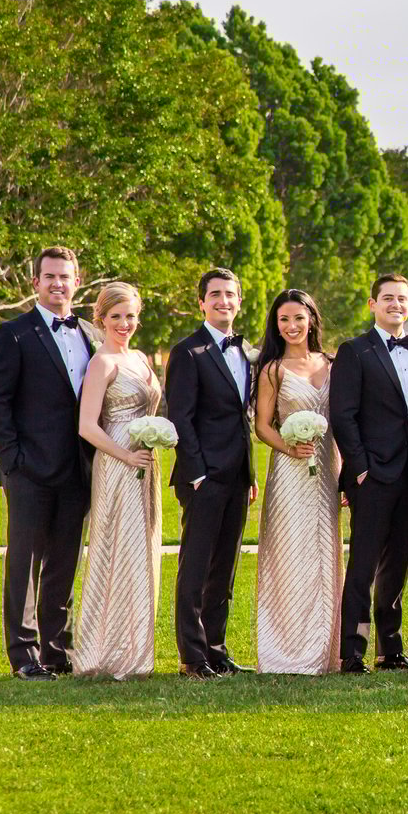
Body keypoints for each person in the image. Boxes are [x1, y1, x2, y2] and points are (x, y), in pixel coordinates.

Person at [0, 246, 96, 680]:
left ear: (77, 282)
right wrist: (12, 461)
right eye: (50, 276)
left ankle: (56, 650)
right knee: (25, 566)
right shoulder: (12, 335)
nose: (58, 284)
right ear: (35, 282)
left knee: (64, 563)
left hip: (77, 470)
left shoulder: (90, 334)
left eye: (65, 277)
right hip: (29, 471)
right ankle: (24, 655)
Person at [329, 273, 408, 673]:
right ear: (373, 304)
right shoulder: (354, 351)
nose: (395, 304)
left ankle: (390, 648)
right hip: (372, 475)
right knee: (363, 565)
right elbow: (343, 415)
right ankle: (353, 651)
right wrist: (360, 469)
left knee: (397, 565)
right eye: (387, 298)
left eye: (402, 299)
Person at [165, 267, 258, 678]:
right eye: (215, 294)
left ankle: (216, 649)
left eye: (230, 294)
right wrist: (198, 474)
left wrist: (250, 474)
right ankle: (192, 656)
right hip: (203, 477)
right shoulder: (188, 353)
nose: (223, 301)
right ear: (202, 302)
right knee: (196, 567)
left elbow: (243, 418)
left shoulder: (246, 352)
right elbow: (181, 418)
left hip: (238, 477)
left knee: (225, 568)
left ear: (239, 301)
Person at [70, 282, 162, 679]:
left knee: (143, 550)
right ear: (102, 318)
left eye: (130, 316)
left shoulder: (139, 358)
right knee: (117, 551)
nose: (124, 324)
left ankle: (137, 649)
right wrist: (126, 455)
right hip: (117, 465)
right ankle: (105, 652)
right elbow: (87, 426)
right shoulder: (102, 363)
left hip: (146, 465)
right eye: (116, 317)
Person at [251, 288, 342, 676]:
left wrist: (342, 471)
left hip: (327, 470)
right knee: (290, 554)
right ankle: (286, 649)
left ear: (311, 320)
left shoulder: (332, 364)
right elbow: (262, 426)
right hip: (289, 474)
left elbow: (341, 424)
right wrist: (290, 448)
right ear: (276, 325)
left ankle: (326, 649)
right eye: (284, 320)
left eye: (298, 318)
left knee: (325, 554)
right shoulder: (272, 370)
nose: (292, 326)